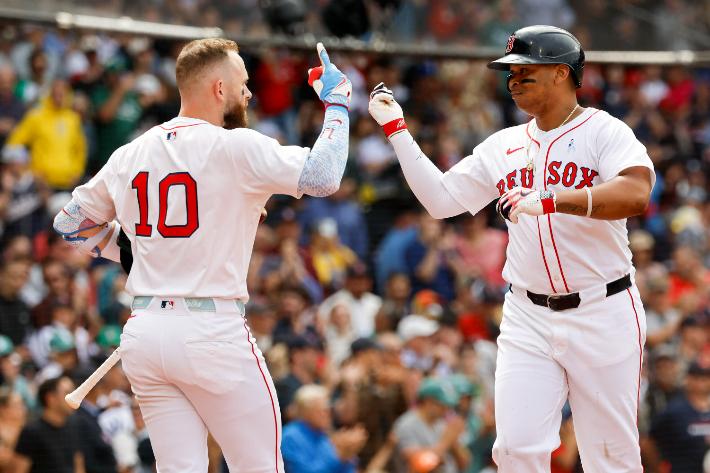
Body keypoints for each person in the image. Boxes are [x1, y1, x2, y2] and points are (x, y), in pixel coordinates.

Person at [52, 38, 352, 473]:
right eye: (242, 83)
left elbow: (70, 223)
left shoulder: (131, 152)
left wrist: (132, 251)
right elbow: (324, 175)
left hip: (146, 331)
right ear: (219, 88)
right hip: (211, 331)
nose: (248, 93)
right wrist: (338, 103)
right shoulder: (235, 146)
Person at [368, 25, 654, 473]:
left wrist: (552, 200)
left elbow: (636, 193)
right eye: (510, 73)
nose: (513, 80)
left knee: (610, 455)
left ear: (561, 73)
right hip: (528, 314)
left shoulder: (604, 131)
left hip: (603, 308)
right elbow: (441, 201)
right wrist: (396, 130)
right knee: (515, 450)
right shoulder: (502, 145)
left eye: (524, 70)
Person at [281, 384, 368, 473]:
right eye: (324, 410)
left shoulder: (323, 434)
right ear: (306, 411)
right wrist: (339, 455)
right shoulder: (291, 437)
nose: (328, 414)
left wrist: (347, 455)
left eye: (329, 410)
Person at [12, 375, 85, 473]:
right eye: (68, 393)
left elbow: (78, 463)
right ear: (51, 398)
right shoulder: (31, 432)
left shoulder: (73, 426)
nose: (75, 397)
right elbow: (19, 469)